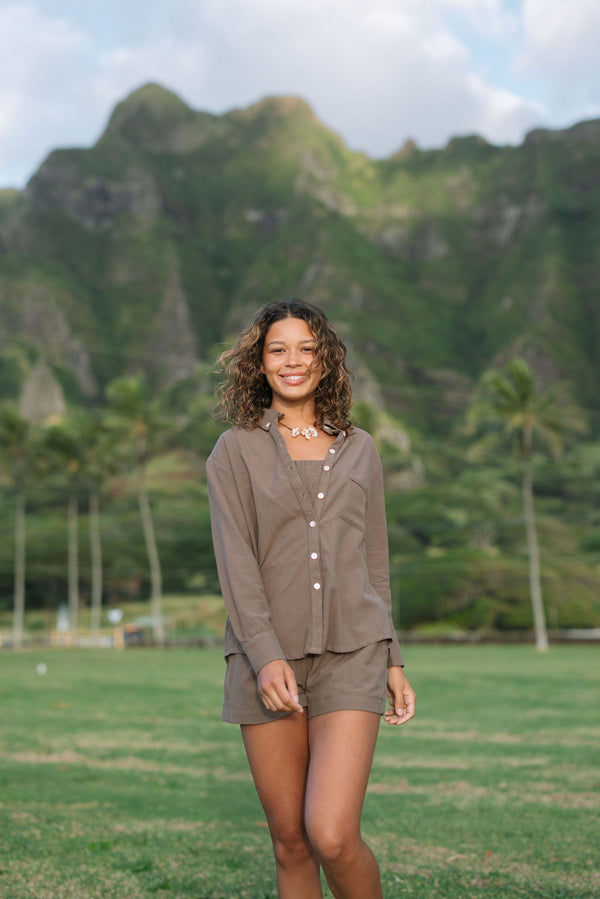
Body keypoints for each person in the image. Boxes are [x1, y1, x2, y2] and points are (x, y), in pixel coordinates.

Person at [206, 299, 416, 899]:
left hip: (354, 652)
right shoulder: (234, 452)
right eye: (277, 349)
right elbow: (236, 562)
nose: (292, 361)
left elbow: (373, 562)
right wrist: (265, 654)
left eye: (306, 348)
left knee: (330, 833)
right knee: (291, 841)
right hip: (265, 659)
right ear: (259, 363)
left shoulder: (362, 449)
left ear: (326, 360)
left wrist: (392, 658)